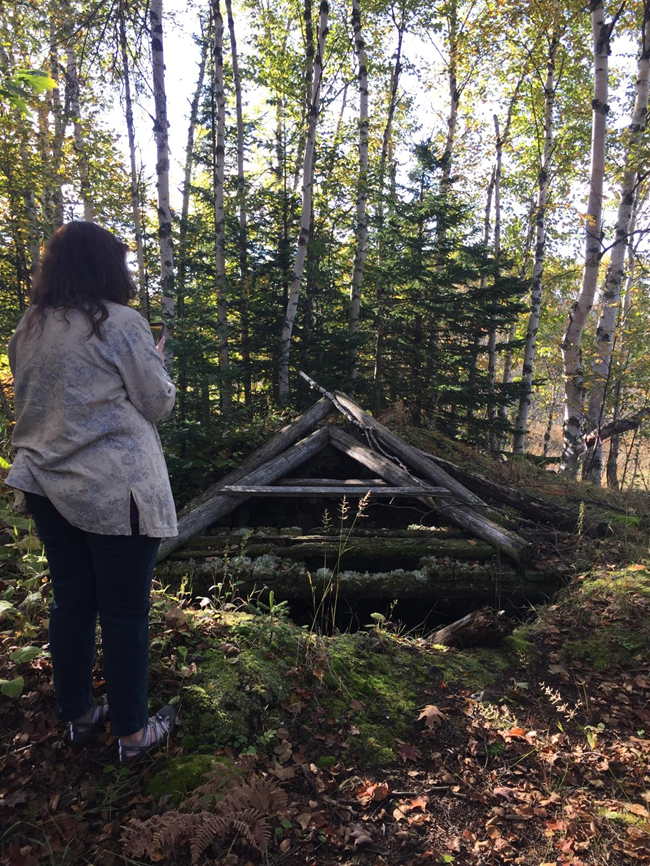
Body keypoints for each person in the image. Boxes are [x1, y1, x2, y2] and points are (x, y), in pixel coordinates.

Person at [5, 221, 179, 764]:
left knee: (72, 602)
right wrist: (157, 362)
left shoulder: (28, 327)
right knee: (125, 612)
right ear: (108, 266)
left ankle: (78, 715)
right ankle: (132, 733)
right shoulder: (121, 323)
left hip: (46, 483)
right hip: (113, 488)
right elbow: (157, 405)